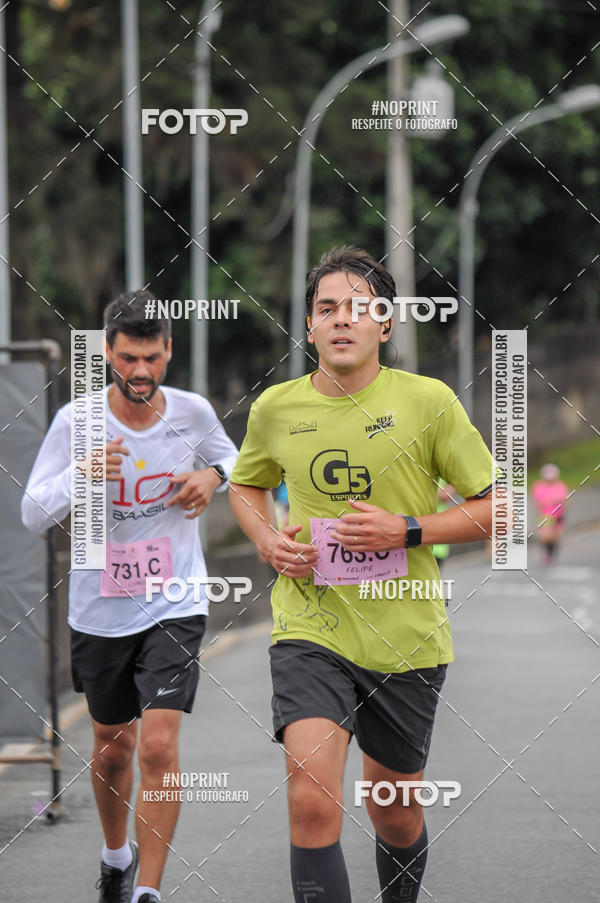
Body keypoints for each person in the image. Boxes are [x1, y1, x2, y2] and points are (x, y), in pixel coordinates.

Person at [229, 246, 495, 903]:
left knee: (394, 806)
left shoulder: (428, 401)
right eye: (327, 308)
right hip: (310, 626)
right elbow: (245, 485)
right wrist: (267, 538)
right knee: (312, 796)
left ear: (386, 323)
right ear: (310, 326)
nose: (341, 319)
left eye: (359, 307)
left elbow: (497, 509)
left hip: (405, 635)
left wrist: (405, 530)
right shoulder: (275, 408)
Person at [21, 290, 238, 903]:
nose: (139, 372)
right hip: (101, 605)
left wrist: (212, 476)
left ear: (168, 351)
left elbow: (240, 462)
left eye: (151, 357)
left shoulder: (193, 413)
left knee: (161, 744)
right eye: (126, 359)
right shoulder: (78, 424)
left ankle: (148, 891)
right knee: (114, 750)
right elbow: (32, 512)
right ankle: (116, 858)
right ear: (109, 355)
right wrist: (81, 475)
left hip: (175, 598)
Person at [531, 463, 569, 565]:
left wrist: (557, 502)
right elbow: (537, 502)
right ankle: (547, 554)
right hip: (546, 516)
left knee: (556, 536)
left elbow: (565, 501)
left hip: (559, 515)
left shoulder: (560, 486)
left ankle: (552, 555)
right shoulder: (539, 486)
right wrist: (550, 502)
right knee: (546, 536)